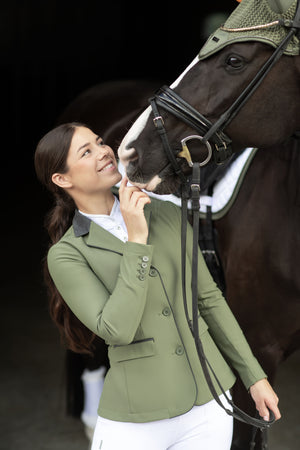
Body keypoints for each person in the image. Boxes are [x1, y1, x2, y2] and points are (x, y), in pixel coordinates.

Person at [34, 122, 280, 450]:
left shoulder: (165, 213)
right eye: (86, 151)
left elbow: (208, 300)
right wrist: (137, 241)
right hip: (136, 414)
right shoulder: (66, 255)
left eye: (99, 141)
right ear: (62, 180)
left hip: (209, 401)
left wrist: (254, 376)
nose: (104, 151)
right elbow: (116, 329)